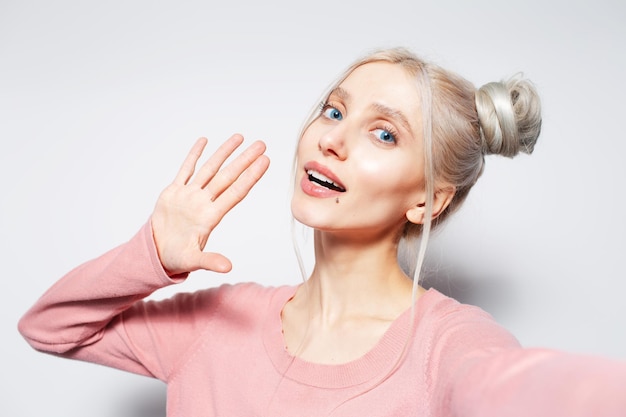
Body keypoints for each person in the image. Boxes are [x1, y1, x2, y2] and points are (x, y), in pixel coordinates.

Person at [18, 47, 626, 416]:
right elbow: (48, 328)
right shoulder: (216, 324)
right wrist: (150, 255)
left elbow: (518, 391)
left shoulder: (450, 346)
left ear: (427, 199)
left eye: (383, 133)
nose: (330, 137)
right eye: (334, 111)